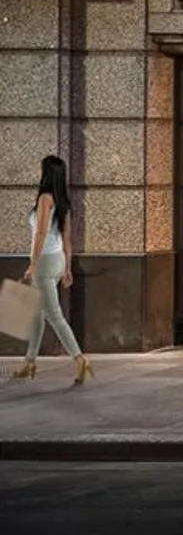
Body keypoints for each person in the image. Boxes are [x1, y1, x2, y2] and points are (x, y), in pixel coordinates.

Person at [15, 155, 93, 387]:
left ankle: (80, 360)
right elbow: (67, 238)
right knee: (37, 315)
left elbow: (40, 233)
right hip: (57, 260)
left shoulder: (45, 198)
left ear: (45, 174)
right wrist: (67, 268)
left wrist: (33, 262)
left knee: (54, 316)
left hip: (45, 263)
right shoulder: (63, 201)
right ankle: (29, 363)